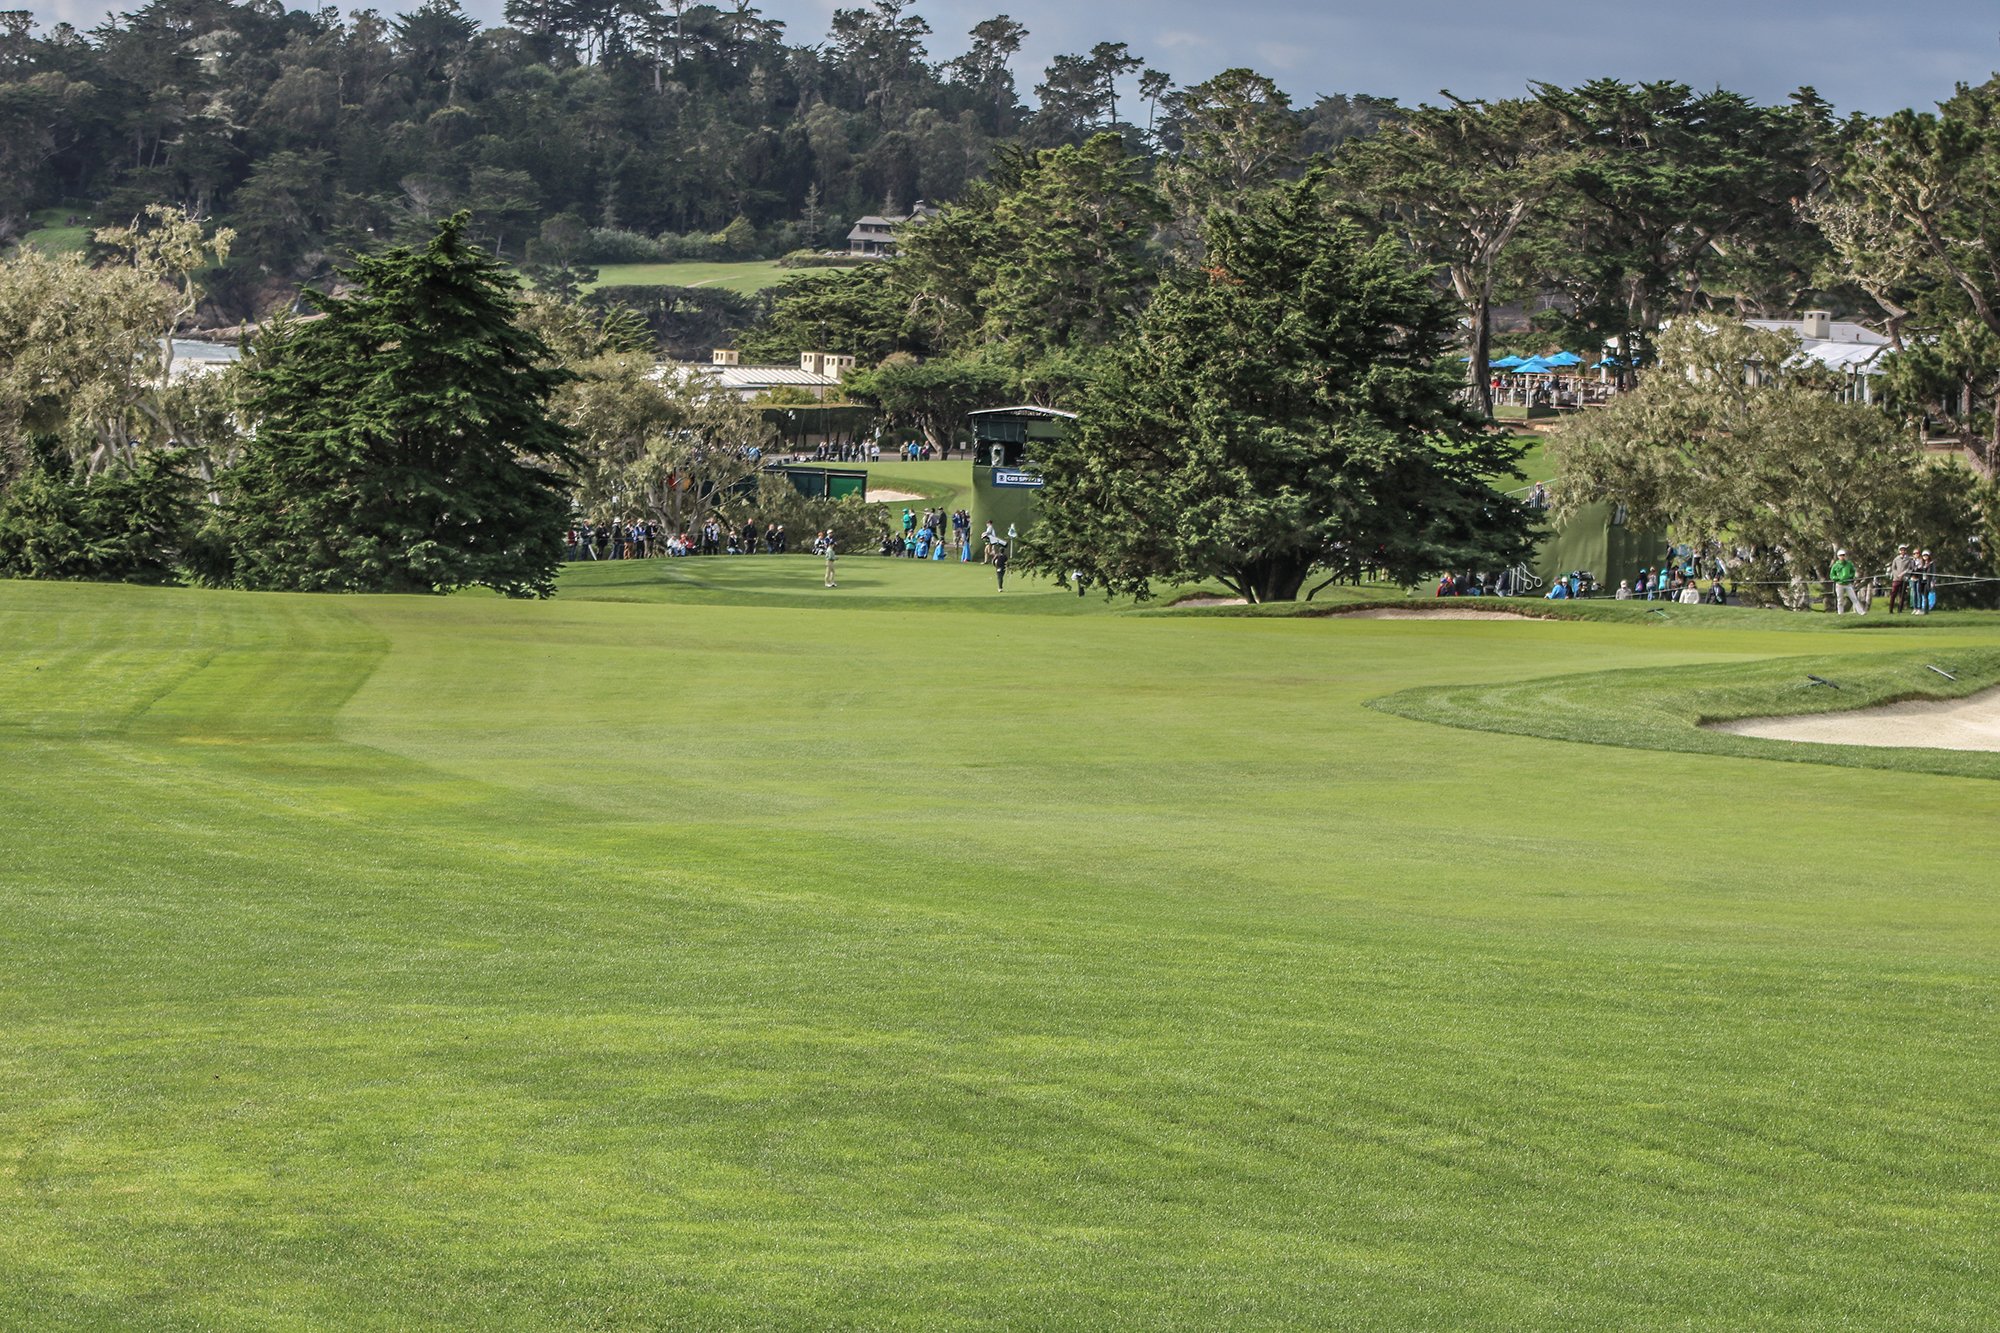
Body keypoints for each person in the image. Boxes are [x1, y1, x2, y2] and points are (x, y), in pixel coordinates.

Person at [1829, 548, 1861, 614]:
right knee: (1840, 600)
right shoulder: (1835, 565)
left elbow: (1853, 571)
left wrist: (1851, 576)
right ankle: (1840, 613)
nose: (1842, 557)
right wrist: (1838, 578)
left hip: (1848, 584)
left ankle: (1861, 612)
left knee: (1854, 598)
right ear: (1838, 556)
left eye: (1843, 555)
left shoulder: (1849, 564)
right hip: (1839, 584)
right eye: (1840, 555)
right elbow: (1832, 575)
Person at [1889, 543, 1914, 613]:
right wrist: (1898, 575)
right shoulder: (1896, 559)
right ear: (1899, 551)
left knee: (1902, 594)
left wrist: (1904, 574)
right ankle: (1891, 609)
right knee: (1893, 594)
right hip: (1896, 579)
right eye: (1901, 550)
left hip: (1904, 579)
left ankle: (1900, 609)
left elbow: (1910, 568)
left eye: (1904, 550)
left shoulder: (1909, 559)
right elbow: (1893, 568)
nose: (1902, 551)